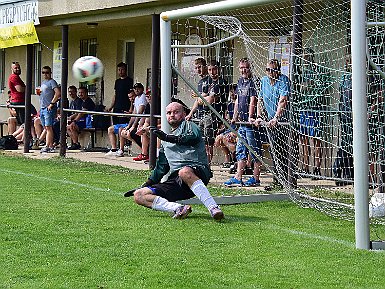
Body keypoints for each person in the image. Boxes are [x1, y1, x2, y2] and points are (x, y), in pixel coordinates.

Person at [127, 101, 224, 221]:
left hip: (198, 172)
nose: (172, 115)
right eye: (169, 113)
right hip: (177, 181)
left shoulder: (189, 125)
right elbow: (161, 168)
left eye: (176, 112)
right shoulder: (164, 141)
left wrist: (167, 137)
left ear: (183, 114)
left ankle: (213, 207)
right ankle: (178, 208)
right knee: (139, 195)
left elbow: (191, 137)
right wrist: (146, 184)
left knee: (184, 172)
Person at [224, 58, 265, 187]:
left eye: (245, 67)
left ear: (250, 68)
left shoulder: (254, 82)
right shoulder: (240, 81)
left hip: (250, 124)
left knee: (254, 150)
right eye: (241, 67)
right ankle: (238, 177)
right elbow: (237, 101)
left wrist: (251, 117)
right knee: (240, 149)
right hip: (241, 123)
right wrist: (234, 117)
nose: (243, 70)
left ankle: (256, 178)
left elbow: (254, 100)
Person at [255, 58, 290, 187]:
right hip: (271, 122)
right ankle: (278, 179)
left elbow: (283, 100)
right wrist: (259, 116)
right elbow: (260, 100)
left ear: (278, 70)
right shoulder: (264, 81)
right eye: (268, 69)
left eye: (273, 70)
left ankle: (286, 180)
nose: (270, 72)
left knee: (283, 150)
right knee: (274, 150)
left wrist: (276, 117)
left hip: (284, 121)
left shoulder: (283, 80)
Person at [298, 48, 323, 177]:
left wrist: (308, 85)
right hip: (303, 109)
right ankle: (305, 167)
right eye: (304, 57)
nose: (305, 59)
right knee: (304, 140)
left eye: (307, 56)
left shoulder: (316, 71)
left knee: (315, 139)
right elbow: (300, 89)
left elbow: (315, 87)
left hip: (314, 110)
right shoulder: (300, 73)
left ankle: (317, 168)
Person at [186, 58, 216, 163]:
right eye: (196, 68)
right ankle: (201, 163)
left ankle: (207, 165)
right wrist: (190, 113)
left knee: (208, 143)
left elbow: (208, 98)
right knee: (200, 142)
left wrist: (201, 97)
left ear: (205, 67)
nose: (198, 70)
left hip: (210, 114)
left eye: (200, 67)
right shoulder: (200, 82)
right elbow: (198, 100)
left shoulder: (211, 80)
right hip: (200, 115)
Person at [333, 55, 354, 186]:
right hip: (346, 115)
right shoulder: (345, 77)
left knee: (351, 145)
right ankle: (339, 171)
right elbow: (342, 97)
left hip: (354, 115)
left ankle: (348, 173)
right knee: (346, 144)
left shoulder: (360, 76)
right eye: (347, 61)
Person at [118, 83, 147, 157]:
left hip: (143, 123)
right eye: (135, 88)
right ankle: (144, 151)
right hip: (138, 123)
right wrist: (129, 125)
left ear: (142, 89)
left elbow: (139, 113)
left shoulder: (143, 97)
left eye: (138, 88)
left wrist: (133, 126)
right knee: (124, 132)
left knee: (131, 133)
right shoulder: (137, 98)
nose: (136, 90)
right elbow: (134, 114)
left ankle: (145, 152)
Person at [105, 89, 135, 156]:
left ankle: (121, 150)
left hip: (131, 124)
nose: (131, 98)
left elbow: (134, 115)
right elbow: (131, 112)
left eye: (132, 96)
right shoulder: (132, 102)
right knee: (110, 129)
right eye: (129, 97)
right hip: (126, 123)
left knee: (121, 129)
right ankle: (114, 149)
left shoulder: (139, 101)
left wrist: (129, 115)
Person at [38, 66, 61, 153]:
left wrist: (52, 103)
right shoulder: (43, 83)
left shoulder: (52, 82)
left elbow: (58, 93)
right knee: (45, 127)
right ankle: (50, 145)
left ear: (50, 73)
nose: (45, 74)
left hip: (49, 107)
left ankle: (48, 146)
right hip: (42, 107)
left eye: (47, 72)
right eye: (43, 72)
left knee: (48, 127)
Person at [214, 83, 237, 168]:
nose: (232, 93)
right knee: (218, 138)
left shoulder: (241, 105)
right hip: (229, 129)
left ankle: (236, 159)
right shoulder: (229, 105)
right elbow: (226, 119)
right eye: (231, 91)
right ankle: (228, 158)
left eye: (234, 91)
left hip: (237, 130)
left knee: (225, 137)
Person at [8, 62, 26, 126]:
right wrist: (28, 88)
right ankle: (23, 135)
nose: (18, 69)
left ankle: (14, 135)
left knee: (24, 121)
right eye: (15, 68)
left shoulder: (16, 77)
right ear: (12, 69)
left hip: (19, 100)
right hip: (18, 101)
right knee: (24, 122)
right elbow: (19, 89)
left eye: (19, 67)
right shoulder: (14, 77)